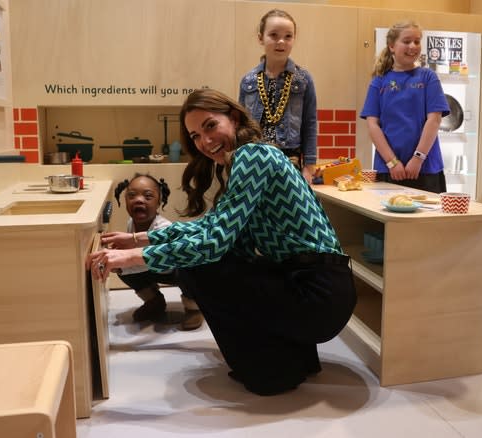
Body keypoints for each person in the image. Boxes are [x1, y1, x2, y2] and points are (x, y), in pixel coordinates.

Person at [86, 88, 356, 396]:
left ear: (235, 118)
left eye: (210, 126)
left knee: (199, 267)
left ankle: (270, 372)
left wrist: (133, 256)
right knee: (214, 261)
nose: (205, 141)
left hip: (319, 293)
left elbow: (212, 243)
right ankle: (293, 360)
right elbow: (212, 226)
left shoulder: (253, 156)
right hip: (317, 284)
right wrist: (138, 237)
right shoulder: (245, 160)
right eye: (196, 136)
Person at [360, 20, 450, 193]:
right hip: (389, 169)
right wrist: (392, 162)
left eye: (417, 41)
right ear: (392, 46)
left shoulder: (428, 77)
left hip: (426, 168)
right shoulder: (379, 81)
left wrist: (418, 158)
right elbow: (372, 125)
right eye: (407, 41)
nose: (413, 46)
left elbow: (434, 120)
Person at [107, 173, 203, 331]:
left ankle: (194, 308)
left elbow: (154, 259)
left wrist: (122, 264)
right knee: (124, 269)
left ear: (159, 201)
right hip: (155, 268)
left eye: (148, 196)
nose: (138, 200)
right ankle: (154, 302)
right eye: (131, 195)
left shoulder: (163, 227)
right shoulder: (132, 222)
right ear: (125, 200)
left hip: (176, 269)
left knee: (189, 269)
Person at [238, 9, 318, 185]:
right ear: (261, 38)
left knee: (288, 210)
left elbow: (310, 123)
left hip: (290, 158)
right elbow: (241, 124)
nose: (281, 41)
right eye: (273, 35)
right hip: (254, 158)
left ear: (293, 39)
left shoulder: (303, 79)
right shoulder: (248, 80)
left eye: (288, 36)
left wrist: (309, 165)